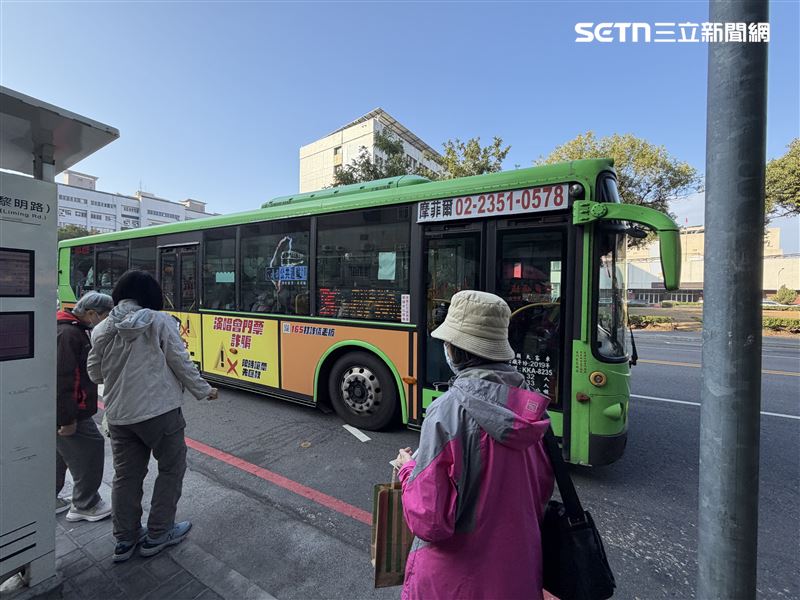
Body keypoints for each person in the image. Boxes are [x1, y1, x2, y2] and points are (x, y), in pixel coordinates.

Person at [395, 290, 554, 600]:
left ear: (454, 350)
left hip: (456, 581)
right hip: (517, 574)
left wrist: (407, 469)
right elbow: (540, 494)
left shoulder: (448, 412)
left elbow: (430, 521)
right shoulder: (533, 408)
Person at [87, 270, 218, 562]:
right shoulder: (159, 321)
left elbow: (94, 372)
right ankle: (159, 533)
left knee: (126, 477)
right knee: (171, 469)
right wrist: (204, 390)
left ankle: (125, 540)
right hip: (161, 412)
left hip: (120, 416)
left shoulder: (102, 329)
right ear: (151, 295)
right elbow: (180, 361)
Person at [56, 292, 115, 521]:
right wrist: (67, 420)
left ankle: (49, 499)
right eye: (105, 316)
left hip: (66, 410)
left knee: (60, 454)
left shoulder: (68, 327)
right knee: (91, 448)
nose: (107, 321)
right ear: (91, 313)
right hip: (72, 412)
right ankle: (85, 504)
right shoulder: (69, 333)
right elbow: (64, 379)